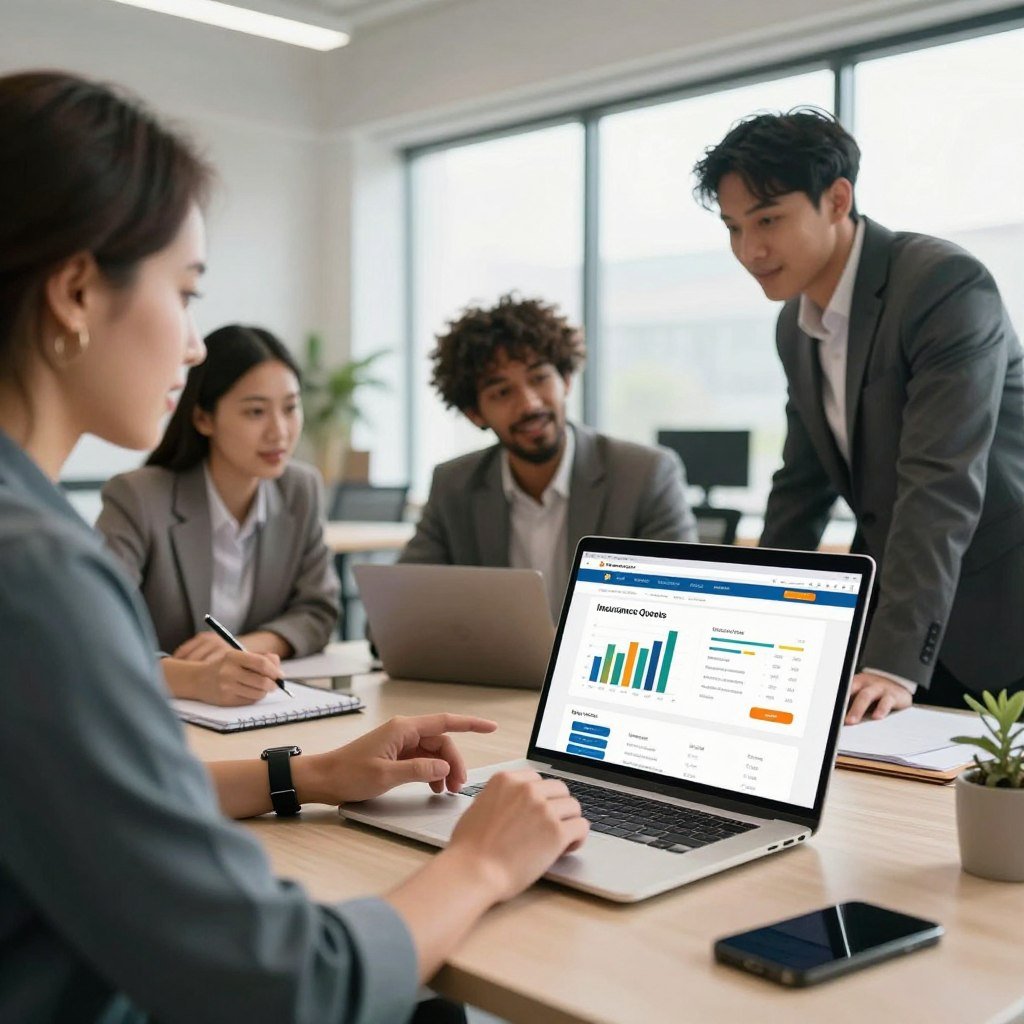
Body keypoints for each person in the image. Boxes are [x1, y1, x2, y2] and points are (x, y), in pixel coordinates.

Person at [0, 70, 589, 1024]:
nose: (193, 343)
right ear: (75, 290)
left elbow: (72, 796)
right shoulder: (36, 574)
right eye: (184, 294)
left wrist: (306, 774)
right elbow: (284, 984)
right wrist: (481, 861)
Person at [693, 108, 1024, 722]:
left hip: (999, 612)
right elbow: (800, 489)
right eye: (734, 227)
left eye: (768, 220)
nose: (750, 250)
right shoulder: (795, 326)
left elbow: (940, 481)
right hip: (896, 622)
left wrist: (895, 659)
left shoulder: (943, 285)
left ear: (837, 199)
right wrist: (747, 630)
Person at [400, 293, 697, 618]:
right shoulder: (453, 486)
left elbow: (680, 611)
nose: (529, 404)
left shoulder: (644, 475)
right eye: (502, 392)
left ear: (566, 380)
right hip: (499, 669)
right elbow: (397, 617)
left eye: (539, 378)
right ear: (475, 414)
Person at [97, 323, 340, 706]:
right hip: (159, 714)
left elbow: (318, 609)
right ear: (203, 419)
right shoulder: (138, 497)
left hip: (259, 710)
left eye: (291, 408)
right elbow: (97, 629)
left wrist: (246, 647)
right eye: (256, 412)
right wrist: (193, 679)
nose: (279, 431)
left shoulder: (300, 489)